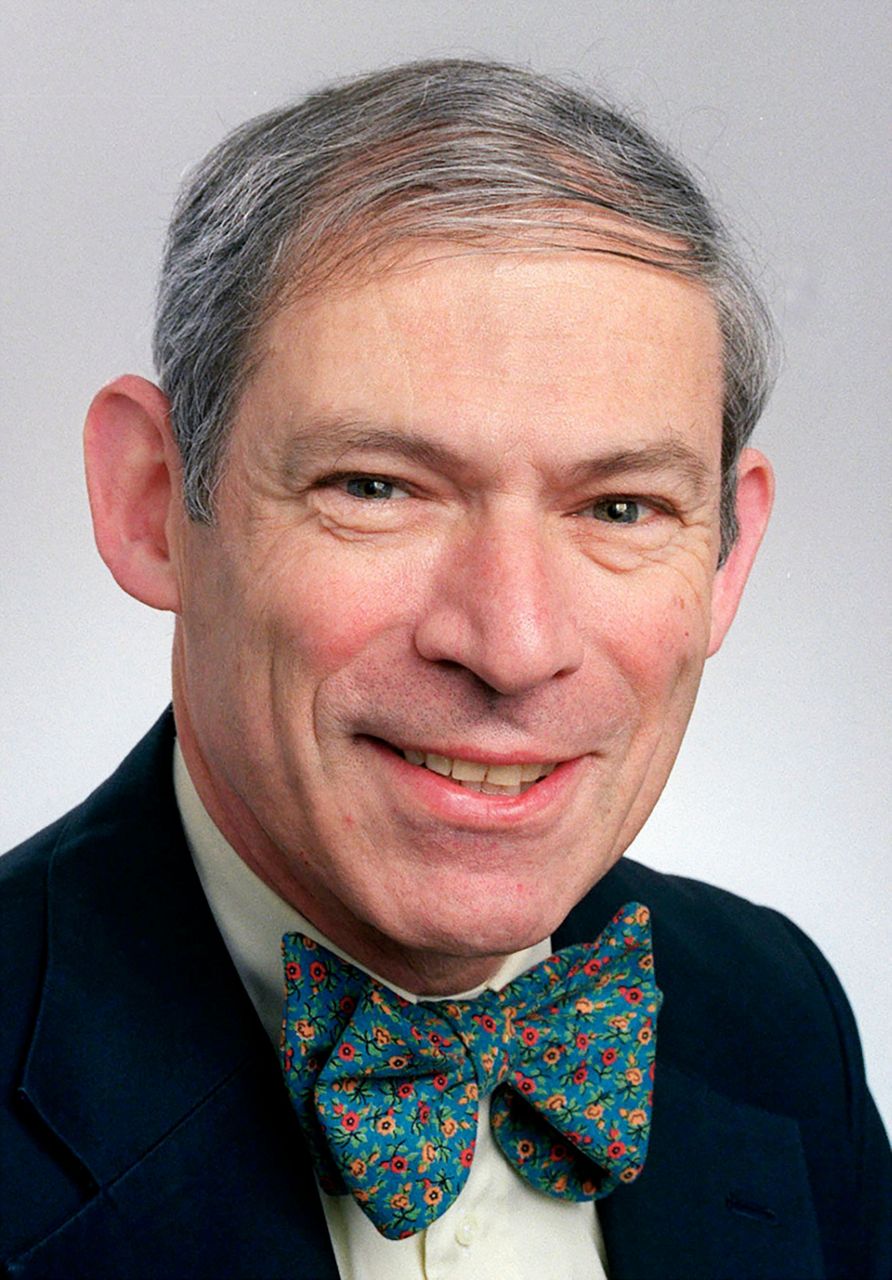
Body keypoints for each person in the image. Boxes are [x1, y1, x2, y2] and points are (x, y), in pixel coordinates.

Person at [1, 58, 888, 1280]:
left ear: (727, 555)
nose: (512, 644)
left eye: (620, 507)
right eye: (378, 487)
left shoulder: (773, 1013)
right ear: (152, 502)